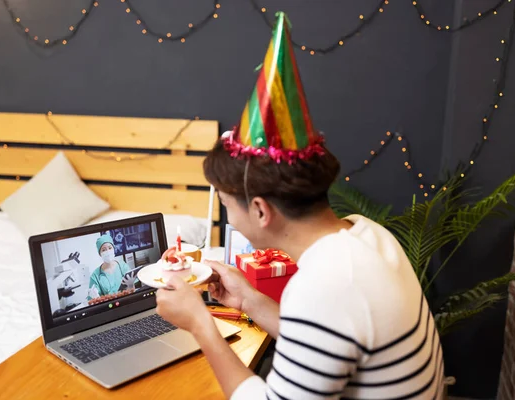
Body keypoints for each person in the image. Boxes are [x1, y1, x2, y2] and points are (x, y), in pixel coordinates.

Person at [156, 12, 444, 400]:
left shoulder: (326, 285)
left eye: (226, 204)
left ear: (259, 210)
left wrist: (200, 326)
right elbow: (324, 346)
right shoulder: (364, 234)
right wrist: (250, 301)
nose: (229, 217)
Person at [87, 234, 135, 299]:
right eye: (103, 250)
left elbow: (133, 291)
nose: (107, 251)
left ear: (113, 249)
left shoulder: (123, 266)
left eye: (110, 248)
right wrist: (95, 297)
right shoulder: (95, 276)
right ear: (100, 254)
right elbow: (93, 301)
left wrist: (131, 285)